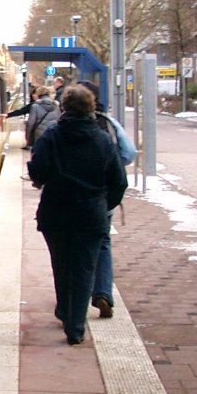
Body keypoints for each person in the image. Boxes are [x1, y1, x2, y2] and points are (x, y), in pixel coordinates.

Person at [28, 84, 128, 345]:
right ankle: (75, 327)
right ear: (91, 107)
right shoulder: (103, 139)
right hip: (91, 214)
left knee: (61, 264)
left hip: (56, 212)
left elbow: (37, 173)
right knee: (84, 268)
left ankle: (64, 309)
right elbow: (119, 182)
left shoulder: (51, 136)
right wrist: (104, 205)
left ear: (64, 107)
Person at [77, 80, 136, 318]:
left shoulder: (59, 125)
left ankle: (73, 305)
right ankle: (102, 293)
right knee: (102, 243)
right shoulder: (109, 123)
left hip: (68, 198)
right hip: (102, 196)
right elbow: (129, 153)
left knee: (72, 247)